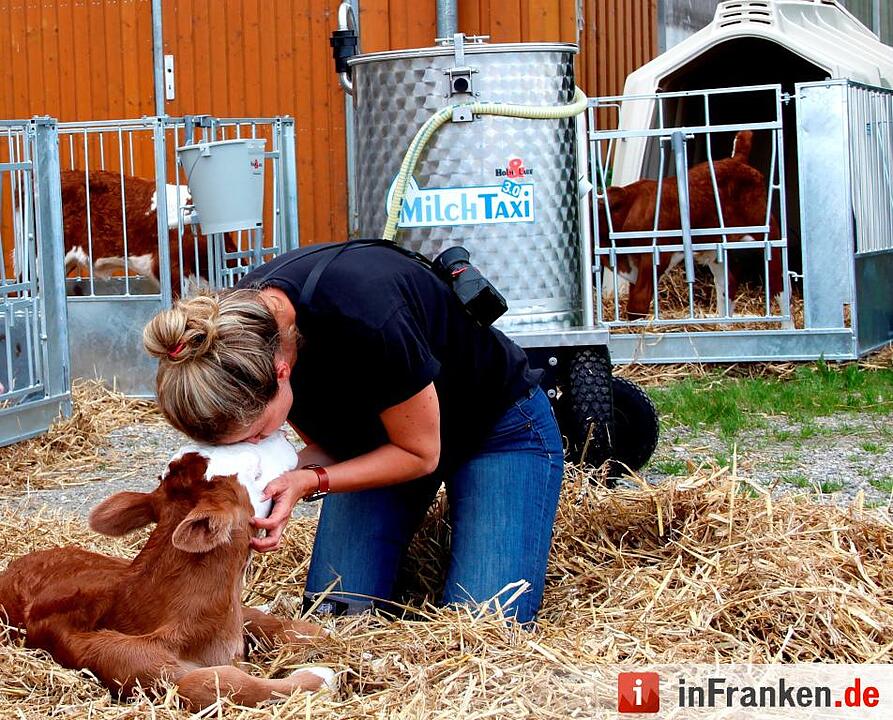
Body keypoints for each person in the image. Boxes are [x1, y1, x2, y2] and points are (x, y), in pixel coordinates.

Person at [143, 241, 564, 624]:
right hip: (380, 439)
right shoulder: (234, 337)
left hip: (494, 430)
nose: (255, 443)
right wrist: (264, 487)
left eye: (254, 433)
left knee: (482, 623)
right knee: (336, 613)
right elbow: (335, 444)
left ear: (281, 373)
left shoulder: (365, 315)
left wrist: (310, 481)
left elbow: (420, 454)